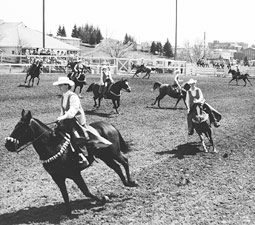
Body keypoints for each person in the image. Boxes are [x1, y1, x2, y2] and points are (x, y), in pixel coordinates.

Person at [53, 77, 112, 167]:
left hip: (76, 120)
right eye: (58, 85)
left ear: (66, 85)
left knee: (76, 137)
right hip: (67, 120)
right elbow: (63, 110)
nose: (59, 87)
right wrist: (59, 119)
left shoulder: (73, 96)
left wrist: (63, 117)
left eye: (60, 85)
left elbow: (73, 111)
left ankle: (83, 156)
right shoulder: (63, 96)